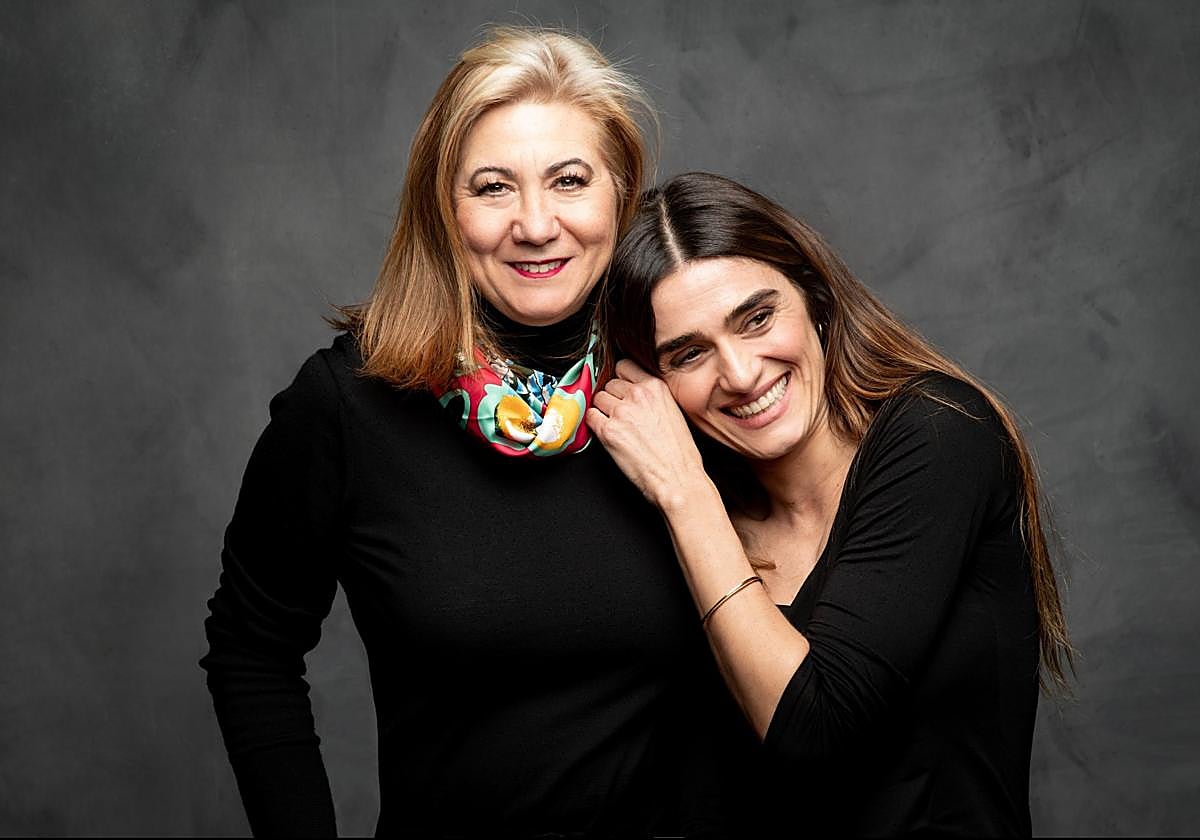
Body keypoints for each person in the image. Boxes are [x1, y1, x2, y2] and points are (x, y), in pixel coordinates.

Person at [199, 28, 709, 838]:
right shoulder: (348, 404)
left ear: (620, 193)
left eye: (569, 181)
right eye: (493, 187)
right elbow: (250, 648)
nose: (535, 224)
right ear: (444, 209)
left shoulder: (684, 376)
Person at [588, 172, 1074, 836]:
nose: (741, 374)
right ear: (655, 383)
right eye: (690, 354)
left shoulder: (939, 434)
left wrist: (685, 493)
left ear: (813, 297)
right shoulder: (687, 520)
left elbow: (817, 727)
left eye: (757, 318)